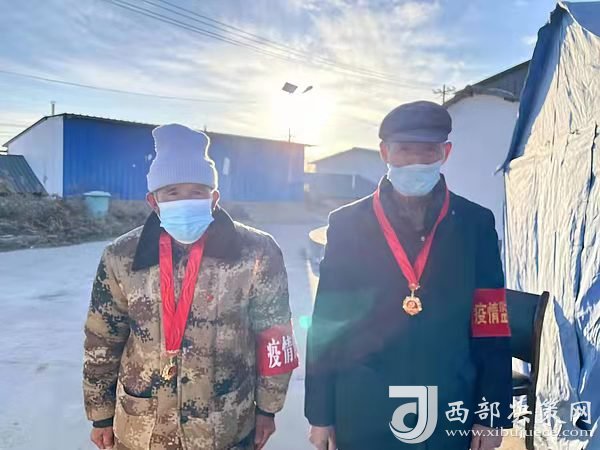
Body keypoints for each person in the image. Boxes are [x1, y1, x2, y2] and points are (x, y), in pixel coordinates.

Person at [305, 101, 512, 450]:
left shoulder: (475, 224)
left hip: (448, 403)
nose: (416, 161)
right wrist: (320, 414)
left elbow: (490, 321)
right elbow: (327, 322)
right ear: (384, 152)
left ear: (445, 152)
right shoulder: (347, 224)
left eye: (428, 150)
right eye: (404, 150)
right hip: (365, 407)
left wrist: (491, 415)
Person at [83, 124, 298, 450]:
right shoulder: (121, 256)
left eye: (197, 191)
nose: (185, 200)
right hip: (143, 429)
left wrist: (268, 408)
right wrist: (100, 414)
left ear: (214, 197)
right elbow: (102, 338)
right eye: (172, 192)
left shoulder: (257, 251)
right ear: (153, 201)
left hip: (225, 425)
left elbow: (275, 334)